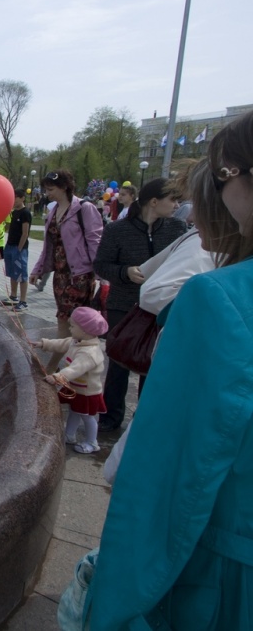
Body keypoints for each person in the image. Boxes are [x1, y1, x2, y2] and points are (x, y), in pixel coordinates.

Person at [83, 110, 253, 629]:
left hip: (223, 566)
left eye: (220, 179)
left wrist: (109, 605)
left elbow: (163, 471)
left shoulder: (217, 299)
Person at [93, 178, 186, 433]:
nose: (177, 205)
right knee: (119, 363)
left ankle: (144, 418)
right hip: (123, 304)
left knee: (153, 365)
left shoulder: (177, 228)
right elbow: (101, 265)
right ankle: (110, 417)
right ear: (154, 202)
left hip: (160, 307)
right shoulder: (117, 230)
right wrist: (125, 272)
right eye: (173, 200)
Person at [28, 170, 103, 373]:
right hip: (60, 275)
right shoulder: (53, 211)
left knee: (74, 323)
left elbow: (95, 241)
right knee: (64, 320)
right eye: (46, 189)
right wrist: (38, 269)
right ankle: (71, 365)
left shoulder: (84, 208)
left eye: (51, 189)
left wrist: (101, 274)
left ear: (64, 187)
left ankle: (57, 366)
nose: (47, 193)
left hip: (80, 275)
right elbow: (48, 246)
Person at [31, 306, 108, 454]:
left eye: (73, 326)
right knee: (74, 411)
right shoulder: (77, 341)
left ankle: (92, 442)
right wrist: (43, 344)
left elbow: (75, 369)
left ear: (85, 330)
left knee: (87, 417)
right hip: (76, 387)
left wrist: (57, 377)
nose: (70, 329)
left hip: (87, 392)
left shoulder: (89, 353)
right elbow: (61, 343)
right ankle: (69, 435)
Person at [2, 189, 32, 311]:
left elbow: (25, 233)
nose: (14, 201)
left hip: (19, 248)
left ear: (22, 198)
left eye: (16, 198)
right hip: (9, 246)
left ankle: (23, 301)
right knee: (12, 272)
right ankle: (13, 296)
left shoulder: (25, 213)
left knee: (21, 274)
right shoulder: (14, 212)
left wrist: (19, 248)